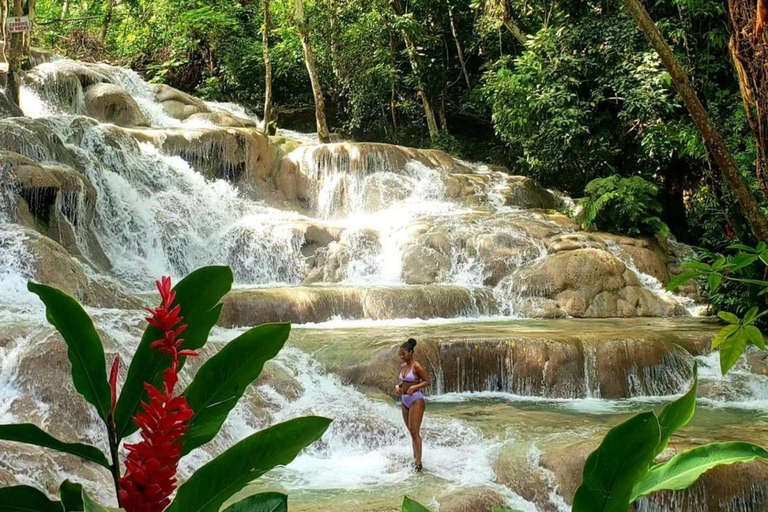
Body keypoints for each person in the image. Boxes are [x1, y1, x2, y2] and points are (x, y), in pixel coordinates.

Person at [395, 338, 430, 472]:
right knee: (411, 432)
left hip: (416, 400)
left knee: (415, 432)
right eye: (400, 354)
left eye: (403, 354)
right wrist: (398, 386)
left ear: (410, 352)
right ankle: (415, 458)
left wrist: (415, 388)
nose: (401, 356)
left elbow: (427, 381)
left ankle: (419, 463)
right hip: (405, 400)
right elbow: (403, 383)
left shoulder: (417, 366)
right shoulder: (403, 367)